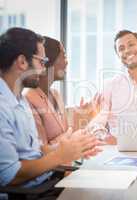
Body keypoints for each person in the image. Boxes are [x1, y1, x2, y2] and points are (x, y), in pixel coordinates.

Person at [0, 27, 100, 191]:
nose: (44, 69)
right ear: (22, 62)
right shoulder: (3, 107)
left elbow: (33, 151)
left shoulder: (19, 100)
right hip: (32, 193)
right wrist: (60, 155)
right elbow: (10, 175)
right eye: (41, 62)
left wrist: (70, 148)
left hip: (49, 180)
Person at [25, 36, 100, 148]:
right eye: (63, 56)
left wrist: (81, 116)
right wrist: (72, 136)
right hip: (50, 165)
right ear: (47, 61)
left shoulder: (56, 94)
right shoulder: (29, 98)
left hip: (65, 163)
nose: (67, 62)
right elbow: (40, 151)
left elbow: (63, 135)